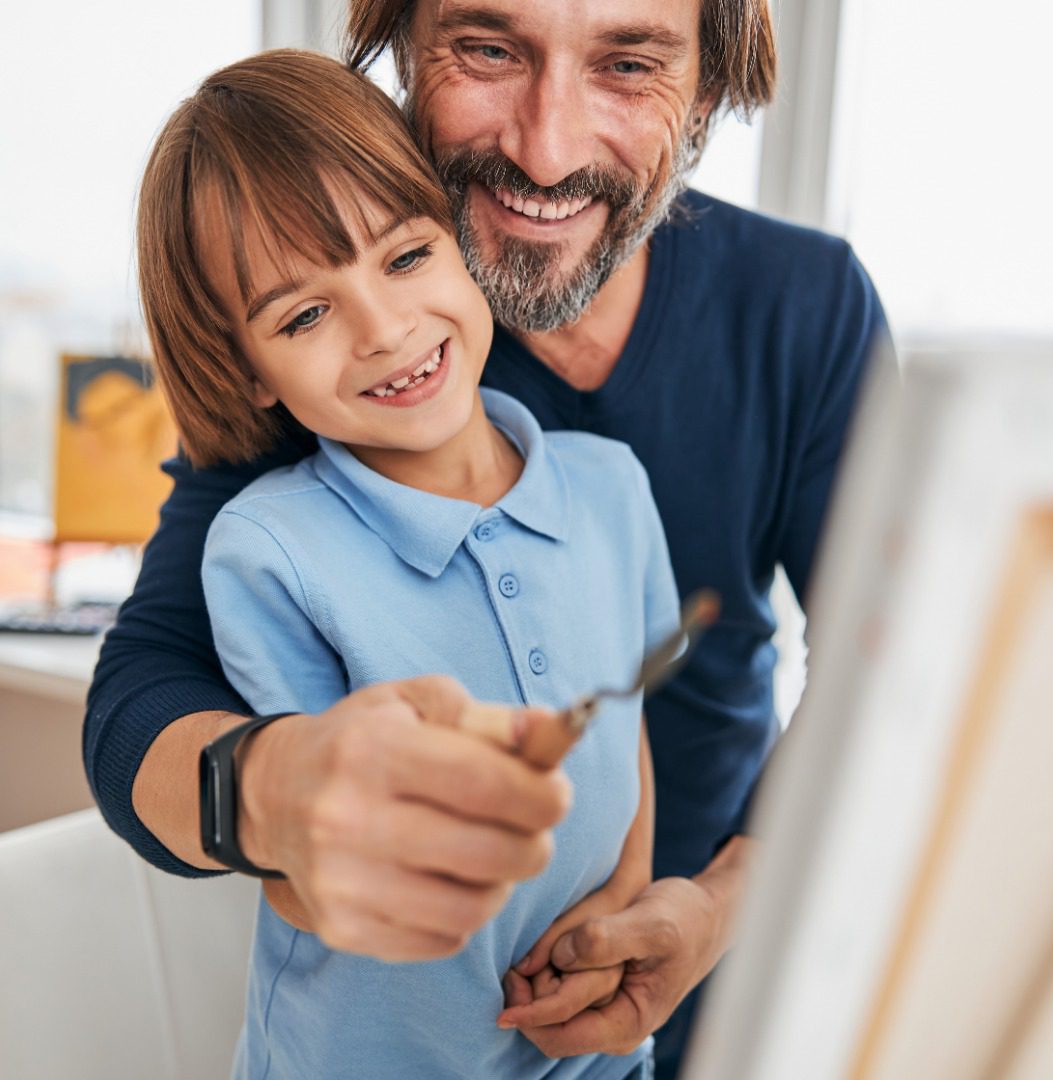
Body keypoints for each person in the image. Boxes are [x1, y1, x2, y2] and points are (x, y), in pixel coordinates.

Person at [85, 1, 890, 1076]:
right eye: (489, 49)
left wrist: (707, 908)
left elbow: (890, 682)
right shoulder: (318, 360)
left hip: (722, 1007)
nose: (545, 148)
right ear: (402, 50)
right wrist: (276, 795)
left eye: (629, 62)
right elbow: (143, 691)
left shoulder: (802, 308)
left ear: (708, 86)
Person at [135, 48, 679, 1079]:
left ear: (459, 240)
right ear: (247, 371)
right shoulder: (270, 551)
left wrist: (627, 893)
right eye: (303, 315)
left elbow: (630, 725)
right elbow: (299, 864)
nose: (386, 331)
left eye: (404, 257)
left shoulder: (612, 491)